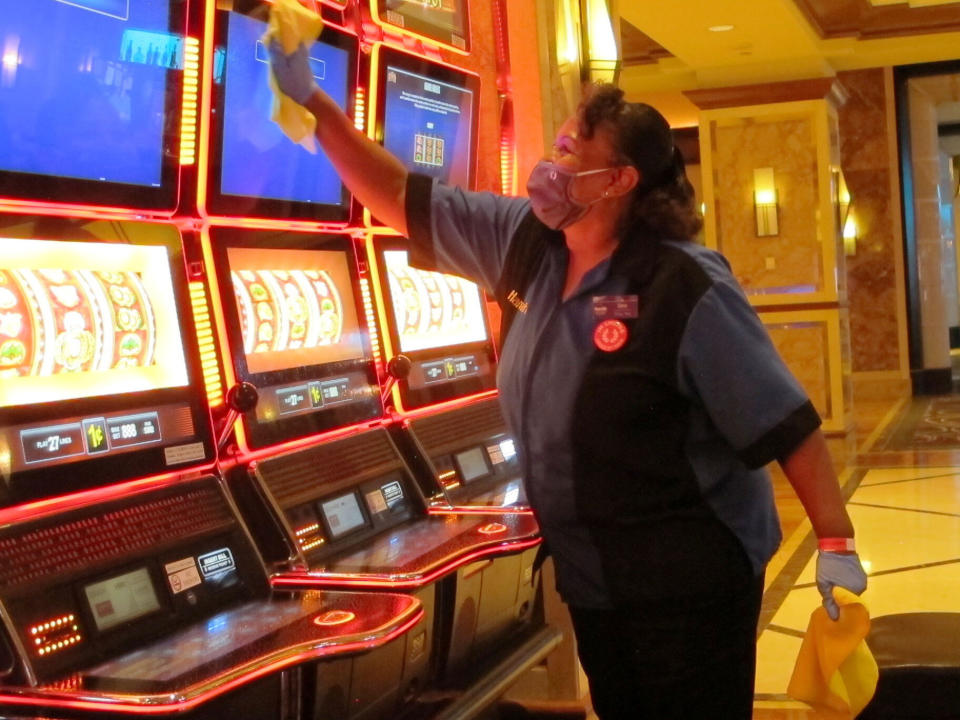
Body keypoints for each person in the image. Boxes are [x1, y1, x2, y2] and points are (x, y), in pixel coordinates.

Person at [269, 41, 868, 719]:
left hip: (690, 577)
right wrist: (315, 106)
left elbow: (787, 424)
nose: (548, 167)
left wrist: (835, 544)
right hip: (595, 572)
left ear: (618, 181)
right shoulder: (529, 243)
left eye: (569, 154)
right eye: (555, 147)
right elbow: (404, 198)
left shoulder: (682, 284)